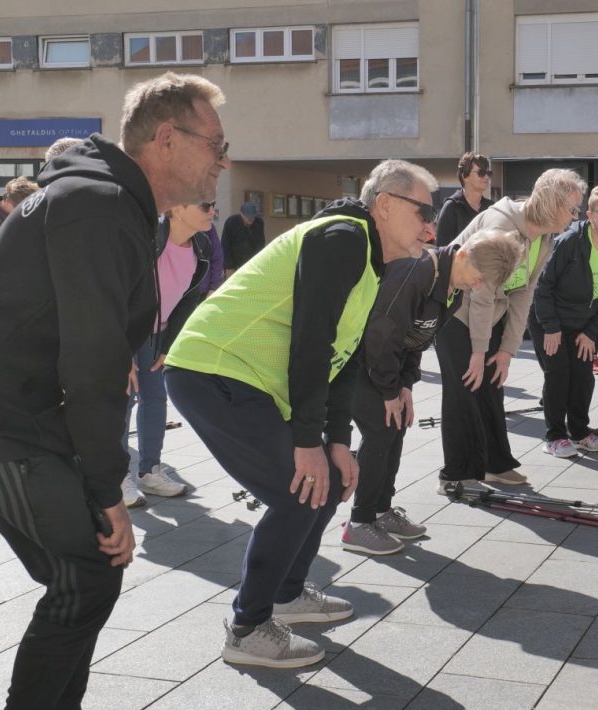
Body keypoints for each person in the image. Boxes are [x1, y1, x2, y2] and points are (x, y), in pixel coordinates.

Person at [0, 72, 229, 709]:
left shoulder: (114, 202)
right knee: (84, 573)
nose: (223, 161)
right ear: (167, 139)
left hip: (17, 403)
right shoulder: (99, 204)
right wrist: (108, 490)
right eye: (216, 145)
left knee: (89, 572)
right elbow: (93, 363)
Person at [164, 159, 438, 668]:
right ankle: (247, 629)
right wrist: (309, 443)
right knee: (297, 491)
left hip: (251, 381)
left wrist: (337, 443)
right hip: (213, 369)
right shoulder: (343, 237)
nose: (431, 225)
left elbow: (344, 357)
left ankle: (286, 596)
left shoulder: (371, 257)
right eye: (424, 210)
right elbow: (311, 343)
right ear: (384, 204)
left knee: (326, 483)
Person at [346, 228, 522, 554]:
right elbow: (381, 337)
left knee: (397, 425)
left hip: (386, 363)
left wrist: (406, 385)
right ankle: (358, 523)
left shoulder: (452, 288)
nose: (479, 286)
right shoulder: (417, 273)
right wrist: (389, 391)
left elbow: (417, 340)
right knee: (381, 430)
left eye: (486, 283)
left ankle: (381, 511)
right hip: (358, 360)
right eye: (479, 278)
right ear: (463, 255)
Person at [435, 168, 586, 492]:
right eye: (572, 208)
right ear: (552, 204)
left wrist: (506, 350)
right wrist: (478, 351)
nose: (575, 217)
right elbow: (480, 293)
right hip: (457, 313)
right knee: (464, 391)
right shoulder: (501, 225)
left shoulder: (545, 238)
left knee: (492, 385)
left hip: (488, 316)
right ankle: (454, 474)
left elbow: (523, 292)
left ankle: (496, 465)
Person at [119, 202, 215, 508]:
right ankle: (117, 478)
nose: (212, 211)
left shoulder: (201, 244)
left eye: (214, 205)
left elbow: (189, 298)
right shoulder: (147, 237)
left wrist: (169, 343)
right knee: (123, 401)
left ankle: (150, 471)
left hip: (158, 333)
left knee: (156, 399)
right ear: (178, 208)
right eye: (205, 205)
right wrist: (121, 349)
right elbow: (118, 291)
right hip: (125, 331)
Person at [533, 181, 598, 457]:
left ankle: (579, 432)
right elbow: (543, 287)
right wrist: (550, 328)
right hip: (550, 319)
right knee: (559, 376)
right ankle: (554, 437)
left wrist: (591, 333)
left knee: (583, 377)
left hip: (583, 324)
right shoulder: (570, 242)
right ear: (589, 215)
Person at [435, 152, 493, 247]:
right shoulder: (451, 207)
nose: (486, 177)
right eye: (481, 173)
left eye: (489, 173)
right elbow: (442, 250)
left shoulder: (491, 208)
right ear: (465, 176)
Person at [222, 200, 265, 276]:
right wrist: (229, 267)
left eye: (253, 216)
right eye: (247, 216)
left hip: (253, 263)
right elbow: (225, 245)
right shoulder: (231, 222)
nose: (250, 219)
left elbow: (260, 244)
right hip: (234, 263)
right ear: (241, 214)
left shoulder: (259, 223)